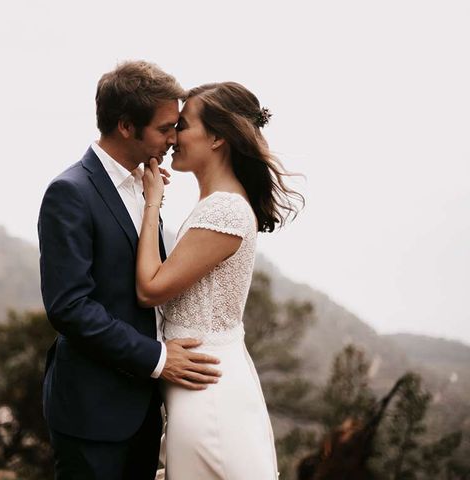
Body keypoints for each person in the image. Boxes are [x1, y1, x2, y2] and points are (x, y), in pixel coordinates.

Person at [37, 61, 222, 480]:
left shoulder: (146, 185)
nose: (173, 140)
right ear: (125, 126)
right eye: (164, 129)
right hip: (92, 414)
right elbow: (69, 307)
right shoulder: (70, 192)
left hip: (142, 411)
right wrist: (157, 358)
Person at [137, 81, 303, 479]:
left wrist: (152, 203)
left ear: (217, 138)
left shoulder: (225, 210)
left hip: (207, 389)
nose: (173, 137)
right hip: (199, 380)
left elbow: (150, 288)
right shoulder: (217, 204)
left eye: (184, 125)